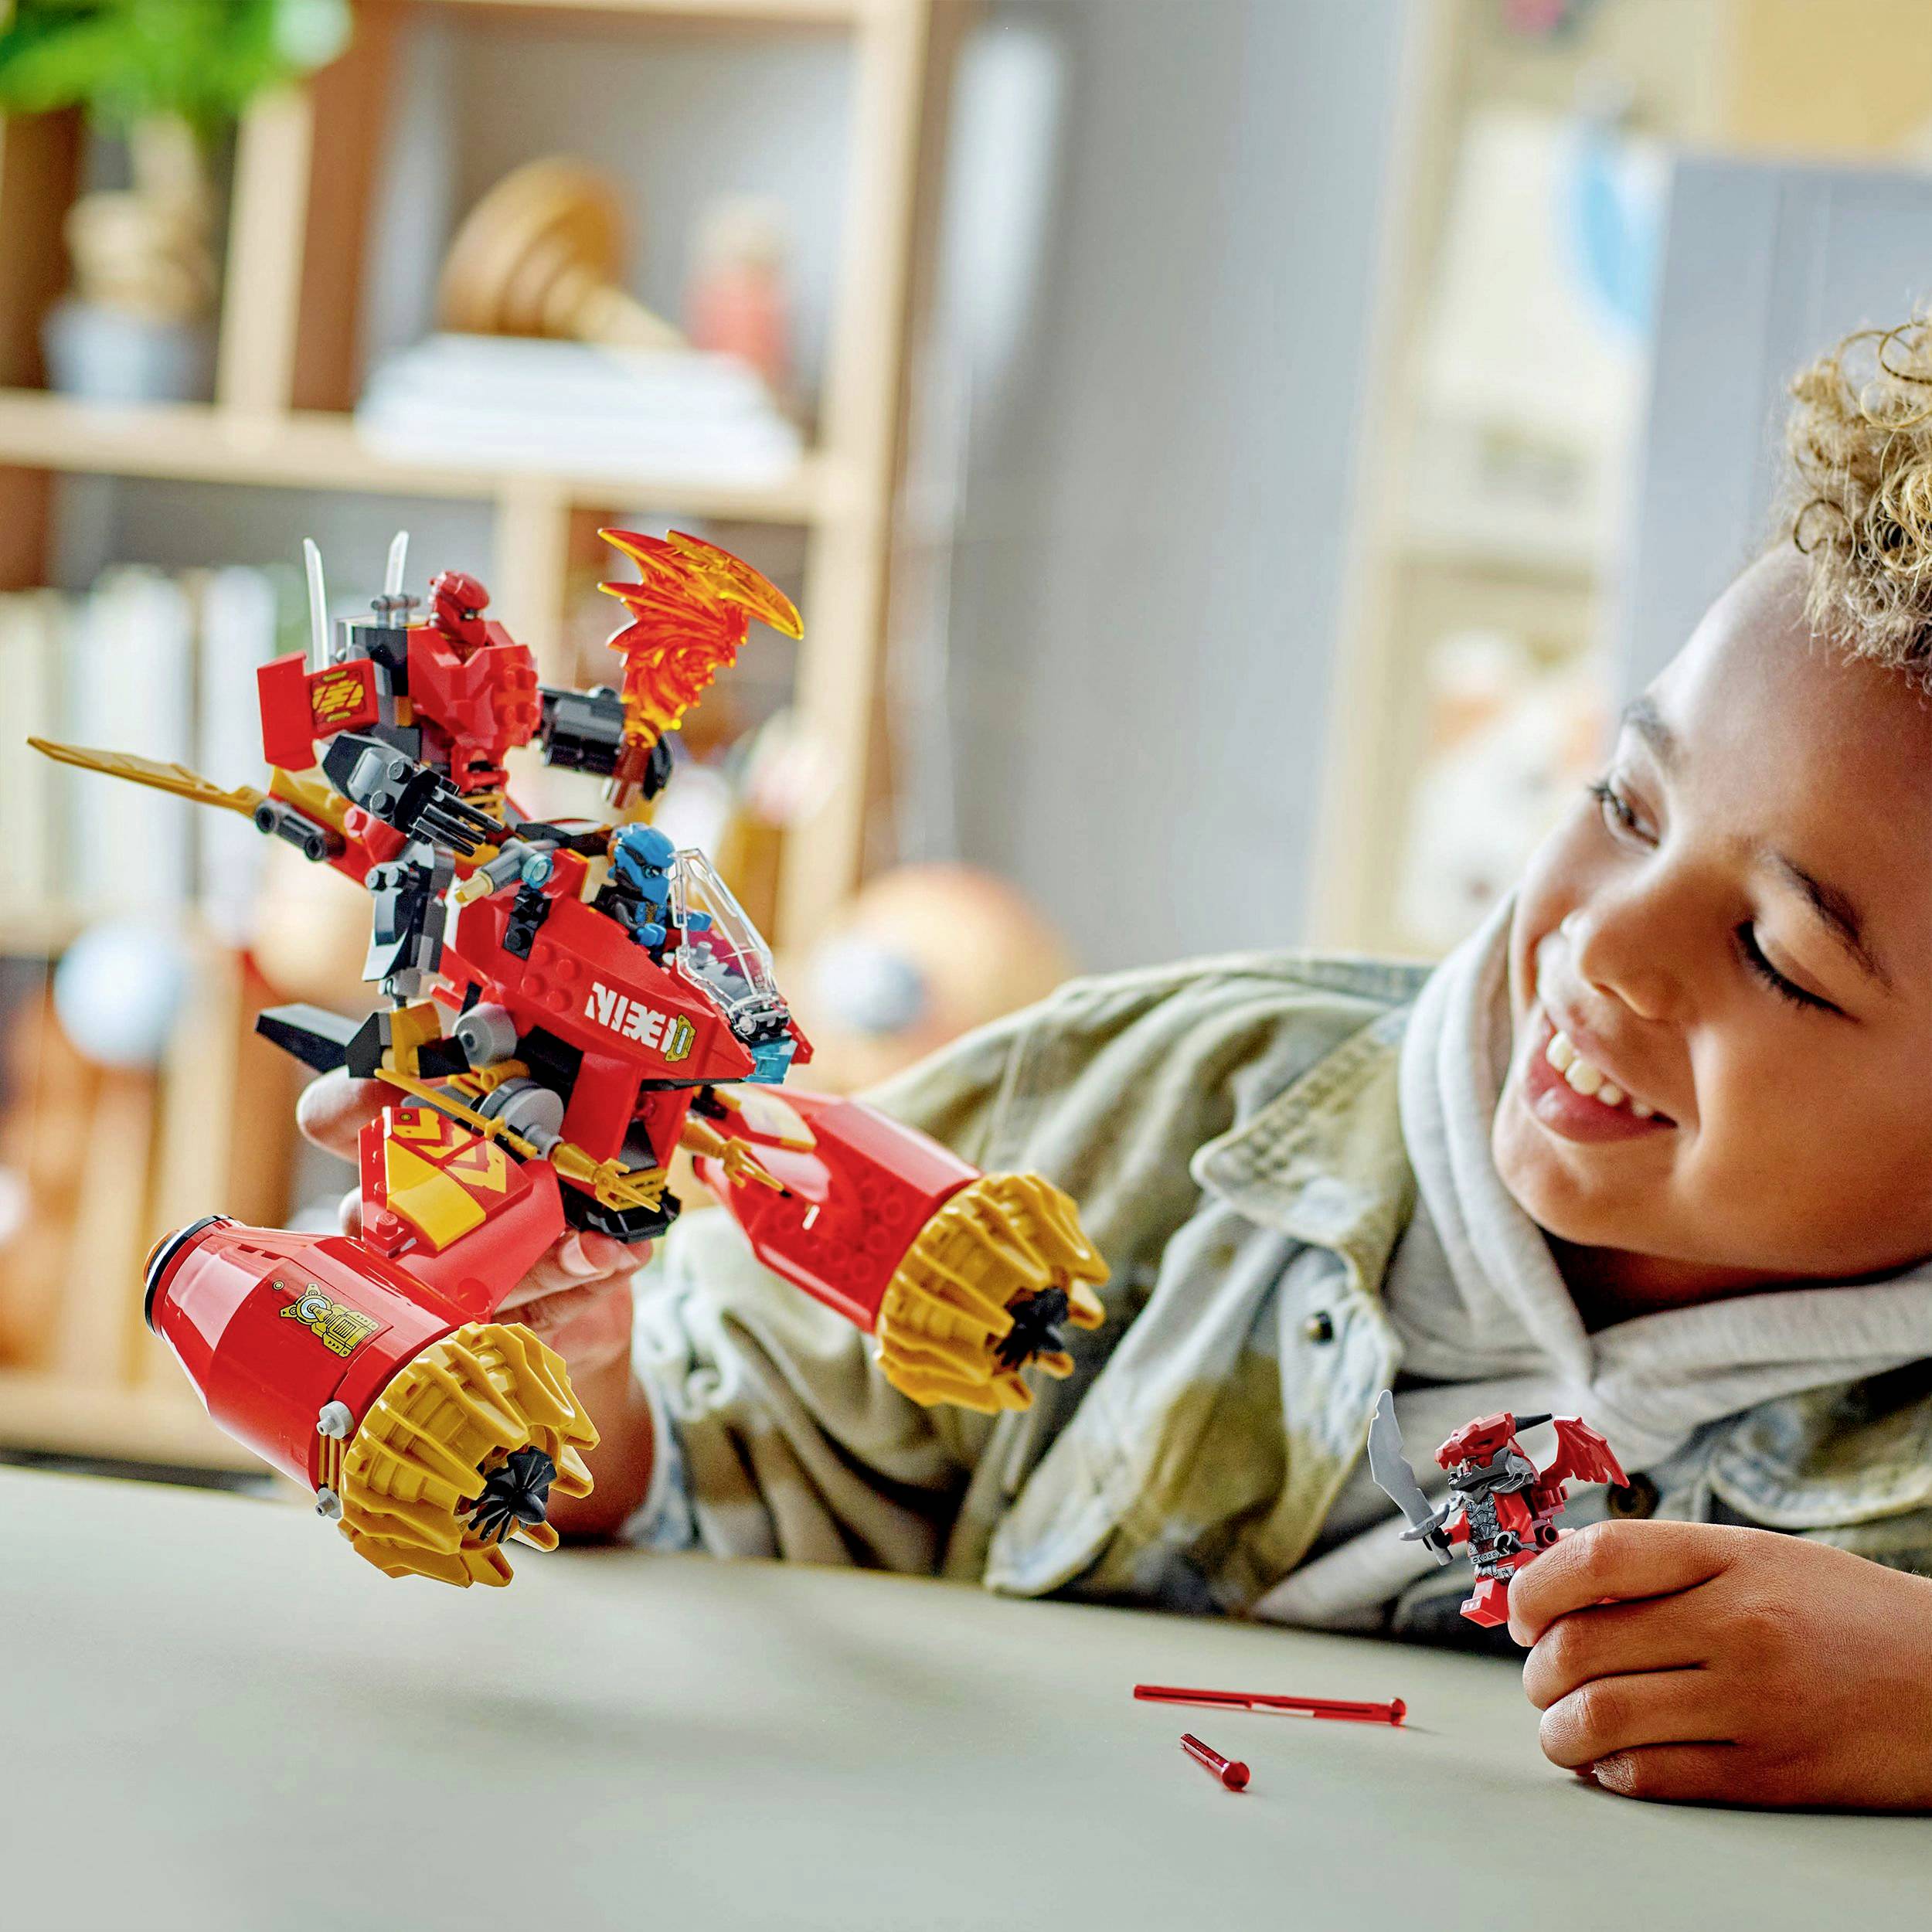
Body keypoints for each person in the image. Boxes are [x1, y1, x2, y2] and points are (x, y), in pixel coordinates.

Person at [299, 315, 1932, 1811]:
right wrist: (581, 1377)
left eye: (1776, 956)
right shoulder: (1130, 1101)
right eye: (1624, 808)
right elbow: (718, 1466)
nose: (1603, 945)